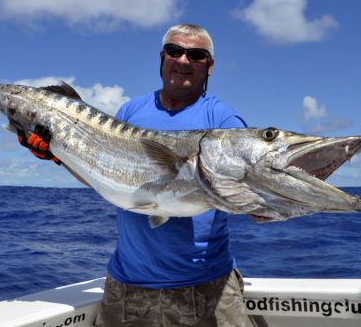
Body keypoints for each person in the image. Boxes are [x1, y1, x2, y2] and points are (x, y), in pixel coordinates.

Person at [20, 23, 247, 327]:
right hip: (127, 289)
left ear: (209, 65)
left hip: (207, 289)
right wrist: (57, 156)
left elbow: (245, 191)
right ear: (161, 57)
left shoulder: (223, 120)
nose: (182, 60)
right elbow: (103, 174)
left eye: (195, 54)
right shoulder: (130, 111)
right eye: (174, 51)